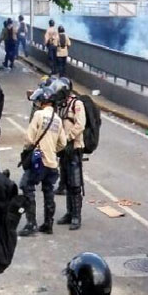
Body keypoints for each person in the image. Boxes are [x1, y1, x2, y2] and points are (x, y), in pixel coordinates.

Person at [19, 86, 67, 237]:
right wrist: (51, 148)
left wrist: (32, 149)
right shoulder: (58, 120)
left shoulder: (39, 115)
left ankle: (31, 224)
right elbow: (63, 143)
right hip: (52, 160)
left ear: (43, 101)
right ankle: (48, 223)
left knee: (27, 185)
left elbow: (28, 138)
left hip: (39, 156)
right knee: (48, 190)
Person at [53, 78, 86, 230]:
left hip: (74, 148)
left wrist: (68, 138)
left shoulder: (76, 104)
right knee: (66, 181)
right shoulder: (62, 105)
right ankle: (69, 212)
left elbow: (80, 124)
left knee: (75, 183)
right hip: (64, 150)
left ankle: (76, 216)